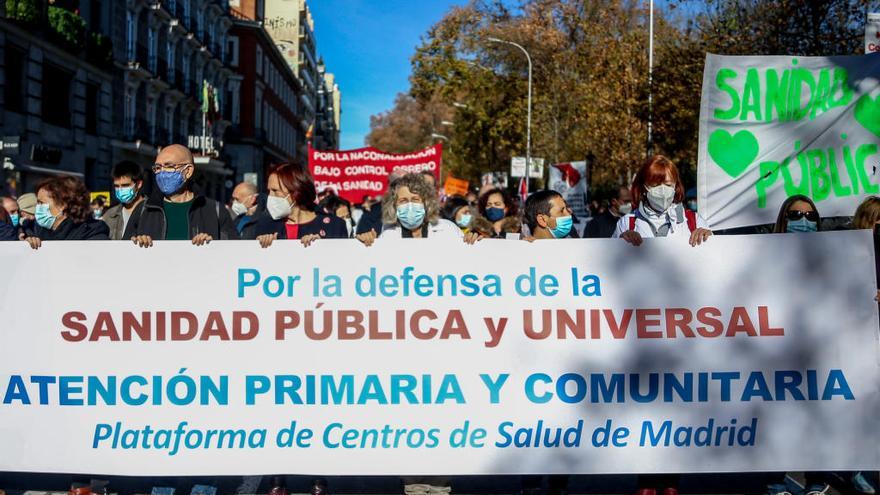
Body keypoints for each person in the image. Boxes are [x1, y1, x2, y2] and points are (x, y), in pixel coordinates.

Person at [131, 144, 238, 247]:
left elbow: (234, 252)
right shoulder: (143, 210)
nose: (162, 172)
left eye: (169, 166)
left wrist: (210, 246)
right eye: (158, 167)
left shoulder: (215, 210)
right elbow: (123, 253)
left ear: (188, 171)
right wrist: (136, 244)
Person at [613, 155, 712, 247]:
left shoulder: (694, 220)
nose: (663, 191)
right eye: (655, 185)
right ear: (643, 188)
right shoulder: (627, 223)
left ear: (675, 187)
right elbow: (609, 258)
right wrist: (620, 244)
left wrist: (708, 237)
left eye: (668, 185)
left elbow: (715, 257)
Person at [254, 162, 348, 248]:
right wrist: (262, 247)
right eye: (269, 191)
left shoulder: (334, 226)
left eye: (275, 191)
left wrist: (322, 247)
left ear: (296, 192)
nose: (270, 196)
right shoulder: (265, 224)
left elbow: (342, 261)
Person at [22, 176, 109, 249]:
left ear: (63, 205)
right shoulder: (38, 231)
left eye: (41, 203)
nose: (37, 207)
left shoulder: (94, 237)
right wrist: (27, 246)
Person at [101, 161, 146, 240]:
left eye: (125, 185)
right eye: (117, 186)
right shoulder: (109, 215)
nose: (120, 189)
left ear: (139, 184)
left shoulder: (153, 212)